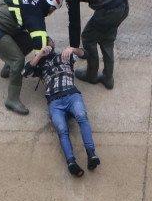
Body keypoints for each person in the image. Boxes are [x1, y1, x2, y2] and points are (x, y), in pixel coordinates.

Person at [45, 0, 128, 90]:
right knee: (107, 40)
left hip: (108, 11)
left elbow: (74, 23)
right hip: (123, 2)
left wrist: (74, 48)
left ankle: (91, 75)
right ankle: (108, 78)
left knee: (88, 38)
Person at [0, 0, 62, 113]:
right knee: (18, 61)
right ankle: (12, 100)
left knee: (28, 40)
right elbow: (40, 49)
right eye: (53, 11)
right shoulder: (36, 15)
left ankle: (8, 67)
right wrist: (45, 61)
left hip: (1, 23)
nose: (51, 13)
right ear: (51, 7)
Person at [24, 40, 100, 177]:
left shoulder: (64, 55)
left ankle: (91, 155)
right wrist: (40, 54)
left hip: (71, 94)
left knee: (82, 117)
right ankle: (71, 163)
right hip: (54, 102)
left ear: (53, 44)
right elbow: (25, 72)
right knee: (62, 130)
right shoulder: (39, 65)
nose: (48, 43)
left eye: (49, 40)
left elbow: (86, 54)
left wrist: (73, 49)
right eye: (45, 42)